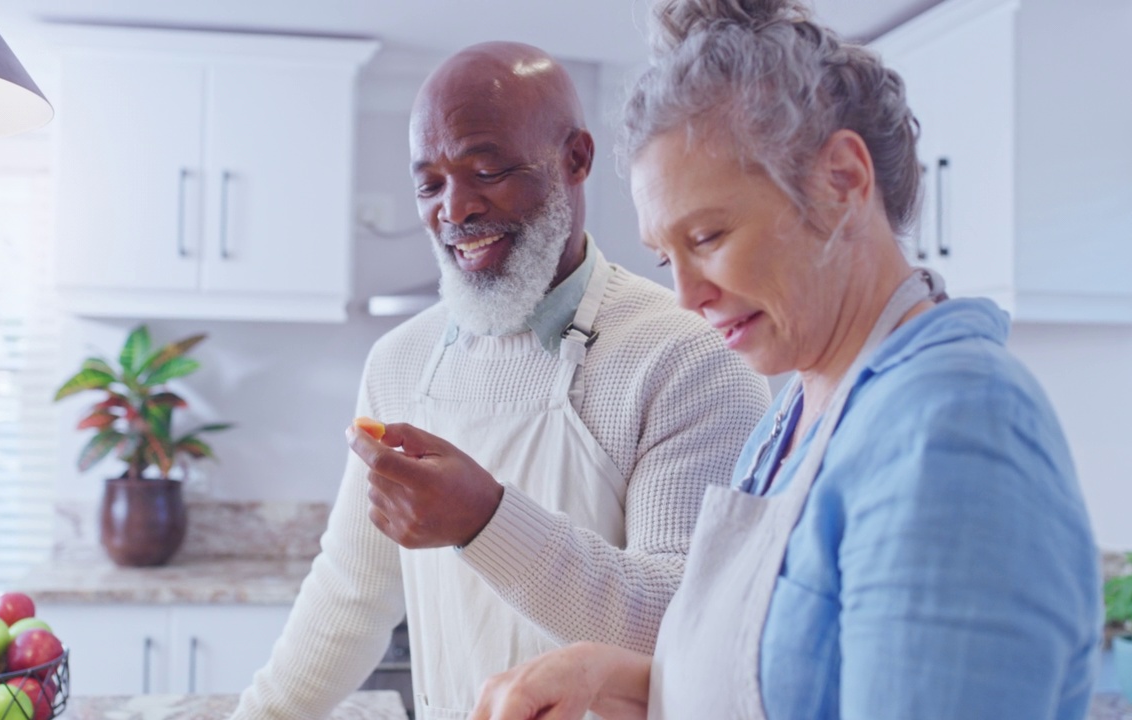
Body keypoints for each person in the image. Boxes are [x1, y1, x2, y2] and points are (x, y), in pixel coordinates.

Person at [471, 1, 1103, 719]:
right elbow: (788, 686)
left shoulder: (952, 426)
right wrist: (614, 681)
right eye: (664, 258)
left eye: (707, 236)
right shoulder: (798, 417)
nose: (686, 297)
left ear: (840, 181)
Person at [230, 41, 771, 719]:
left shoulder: (686, 354)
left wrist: (484, 520)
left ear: (577, 159)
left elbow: (683, 626)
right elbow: (350, 592)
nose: (455, 211)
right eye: (430, 184)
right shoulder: (400, 361)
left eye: (486, 169)